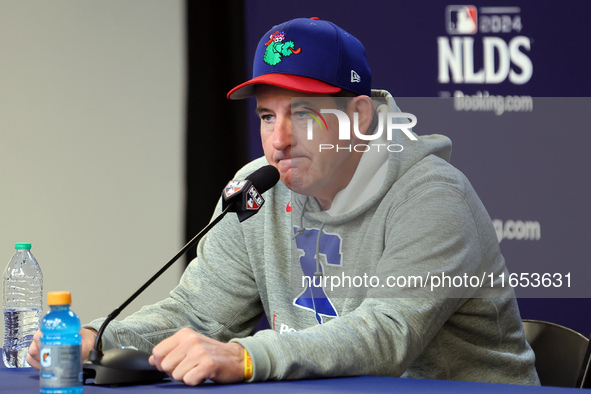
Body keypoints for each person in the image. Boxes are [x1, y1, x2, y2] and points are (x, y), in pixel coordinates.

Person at [28, 17, 540, 386]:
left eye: (302, 113)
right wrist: (103, 336)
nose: (279, 140)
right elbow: (199, 314)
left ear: (359, 115)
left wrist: (247, 358)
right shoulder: (258, 189)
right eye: (268, 117)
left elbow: (387, 334)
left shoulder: (432, 196)